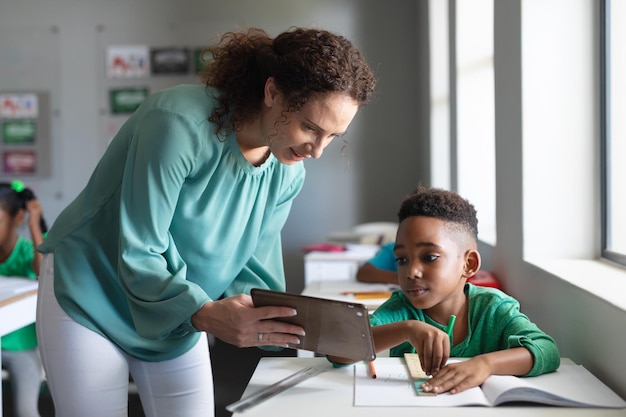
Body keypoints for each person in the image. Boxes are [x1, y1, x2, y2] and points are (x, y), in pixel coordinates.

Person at [35, 27, 376, 417]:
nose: (317, 151)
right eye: (310, 127)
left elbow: (253, 270)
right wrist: (204, 312)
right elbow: (138, 249)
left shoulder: (287, 170)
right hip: (92, 292)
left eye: (333, 136)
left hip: (176, 309)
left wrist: (304, 332)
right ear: (272, 92)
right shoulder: (176, 123)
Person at [329, 186, 560, 395]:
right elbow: (339, 351)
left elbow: (546, 350)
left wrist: (484, 364)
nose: (411, 272)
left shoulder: (493, 309)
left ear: (468, 264)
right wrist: (407, 329)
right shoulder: (402, 309)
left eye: (429, 257)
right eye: (402, 260)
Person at [0, 181, 47, 417]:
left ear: (16, 219)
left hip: (23, 347)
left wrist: (34, 223)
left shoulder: (29, 250)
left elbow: (44, 272)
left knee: (25, 411)